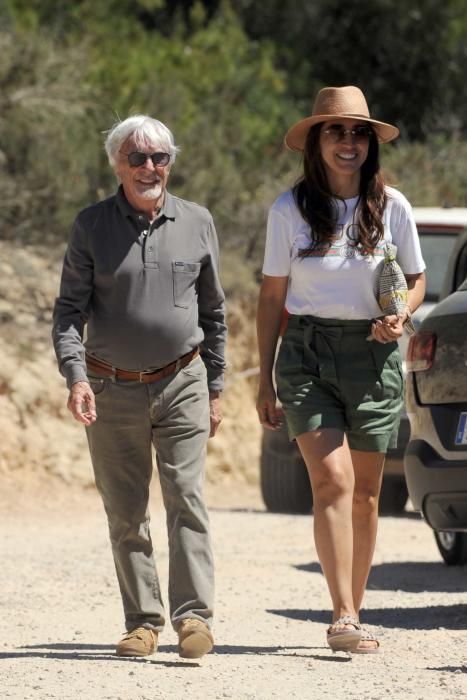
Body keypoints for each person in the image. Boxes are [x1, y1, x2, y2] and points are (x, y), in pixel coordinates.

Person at [256, 86, 426, 654]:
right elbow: (270, 298)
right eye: (336, 131)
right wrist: (262, 377)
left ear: (369, 144)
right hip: (306, 352)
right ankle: (344, 617)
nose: (348, 142)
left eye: (358, 133)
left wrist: (399, 314)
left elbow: (417, 280)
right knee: (333, 480)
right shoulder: (289, 210)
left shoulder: (392, 206)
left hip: (375, 354)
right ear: (317, 141)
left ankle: (354, 606)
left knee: (368, 494)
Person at [52, 115, 226, 659]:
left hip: (183, 381)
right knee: (126, 511)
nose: (150, 168)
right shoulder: (92, 226)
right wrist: (77, 377)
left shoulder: (197, 221)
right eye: (137, 158)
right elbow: (67, 315)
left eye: (160, 158)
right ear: (116, 164)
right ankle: (143, 622)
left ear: (171, 162)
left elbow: (214, 312)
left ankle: (194, 618)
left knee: (187, 501)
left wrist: (215, 387)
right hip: (111, 388)